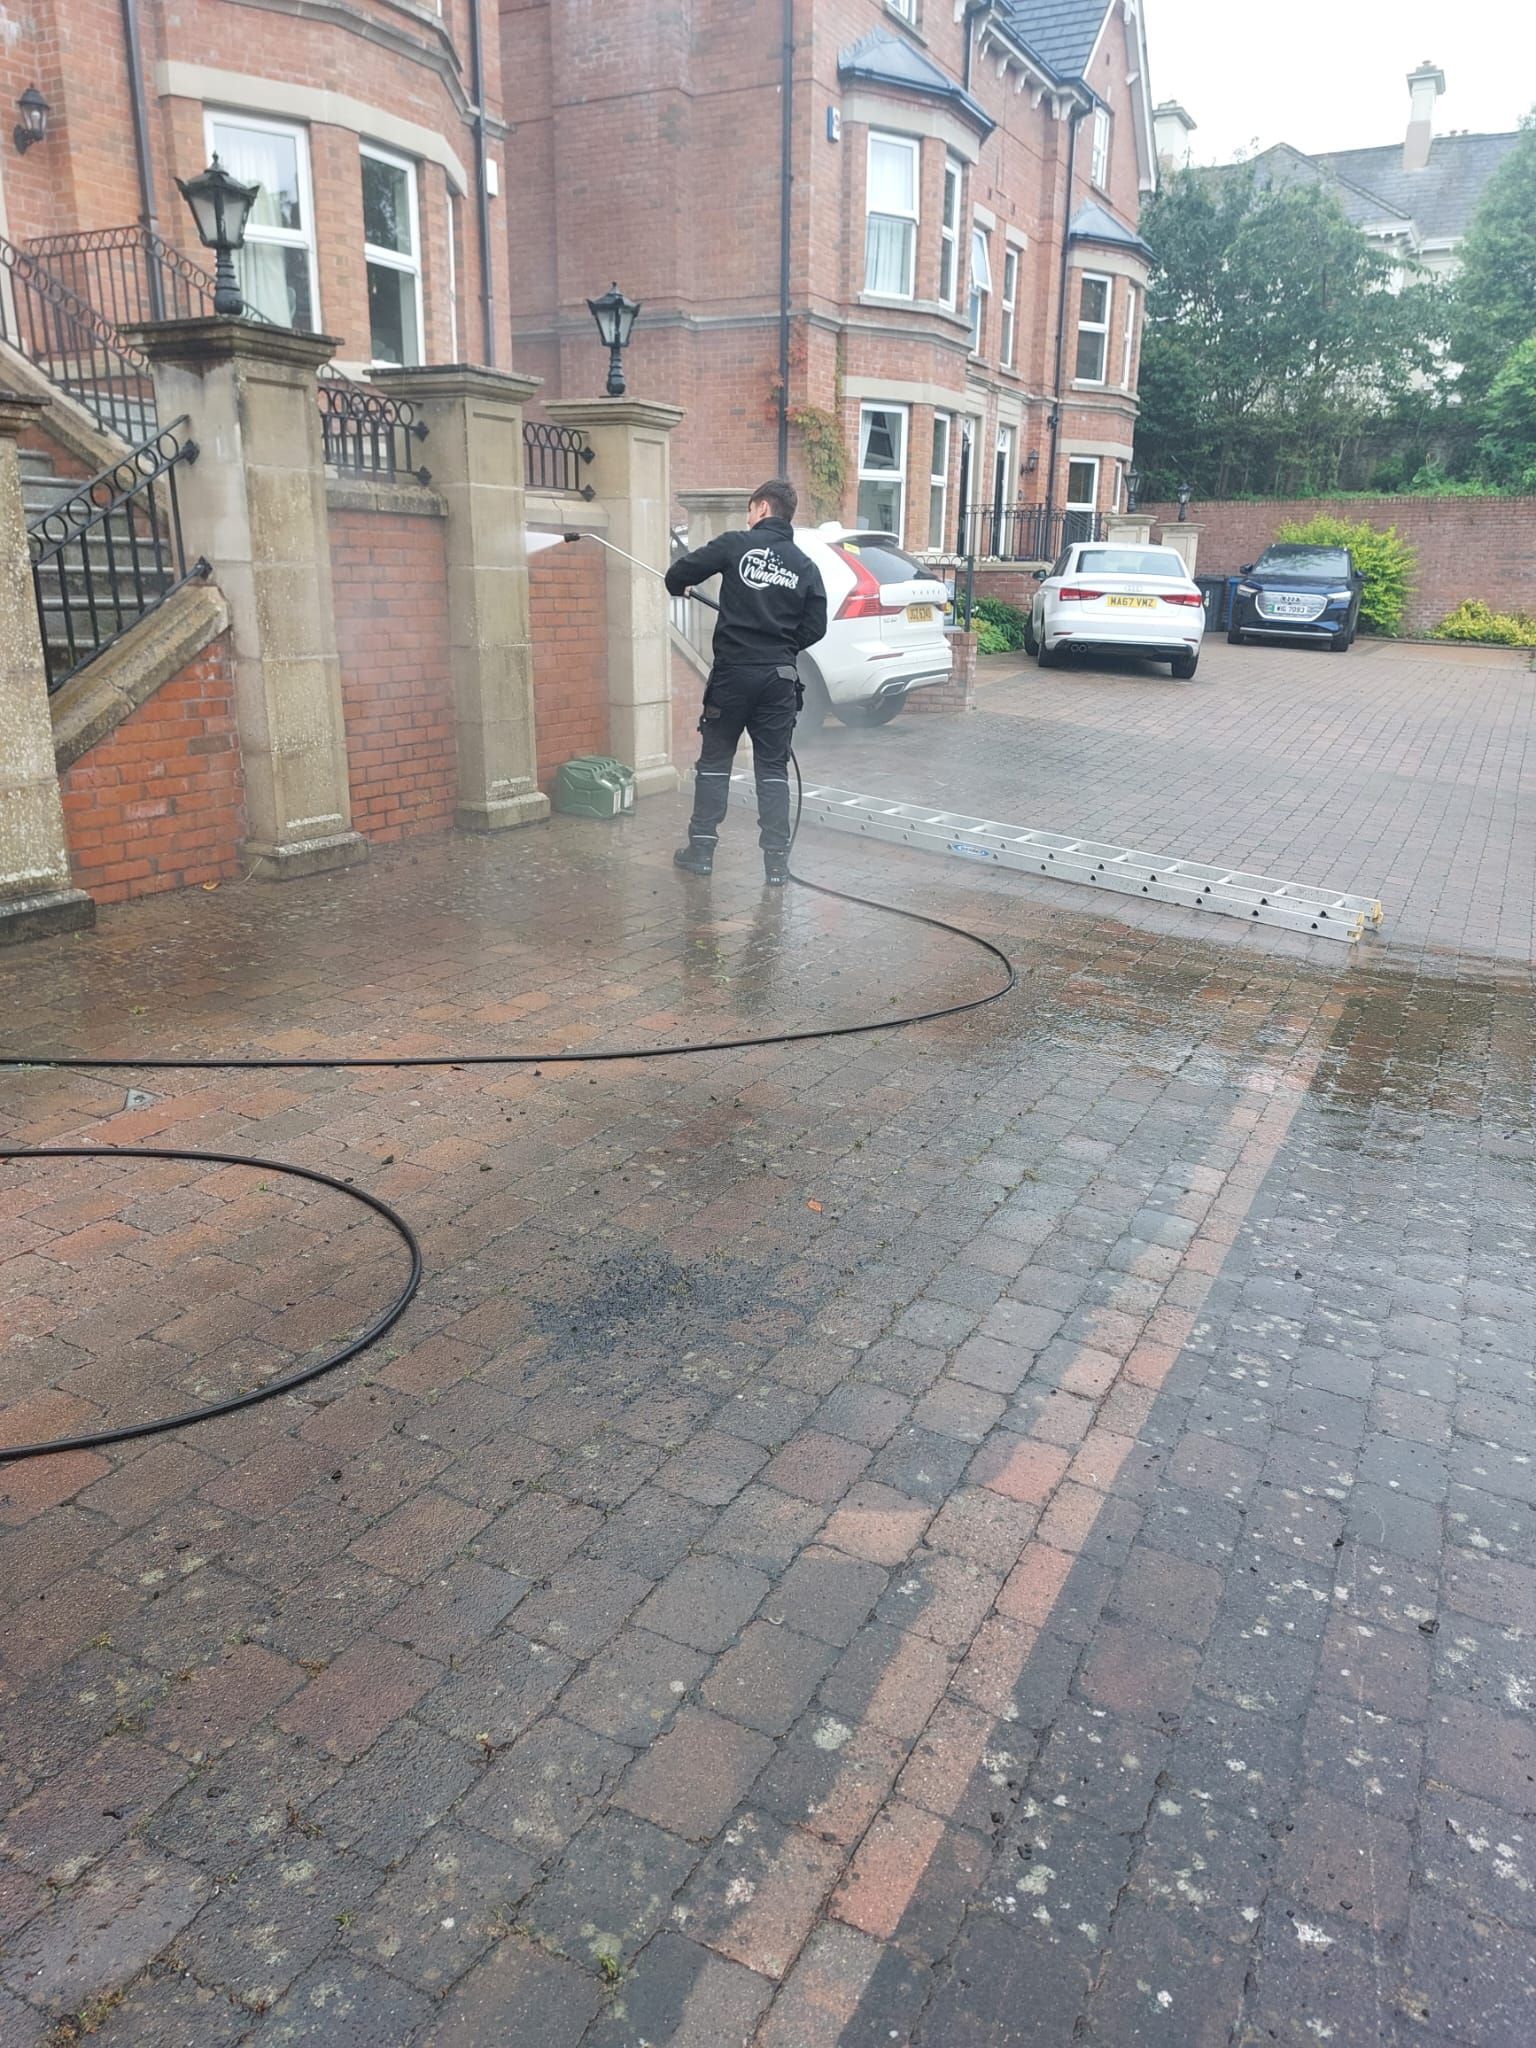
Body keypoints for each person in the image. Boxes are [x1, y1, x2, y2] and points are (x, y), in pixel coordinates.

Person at [664, 478, 827, 886]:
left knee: (716, 763)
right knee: (772, 769)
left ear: (762, 508)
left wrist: (679, 586)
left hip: (733, 675)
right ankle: (775, 864)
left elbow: (677, 574)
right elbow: (816, 626)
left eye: (750, 509)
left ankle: (701, 852)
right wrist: (783, 645)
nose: (748, 516)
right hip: (779, 680)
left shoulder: (735, 544)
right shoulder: (805, 566)